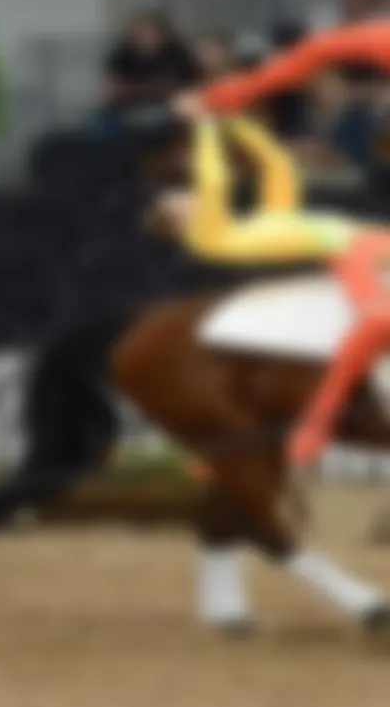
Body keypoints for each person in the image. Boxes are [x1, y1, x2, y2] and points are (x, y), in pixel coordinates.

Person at [160, 104, 390, 468]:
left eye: (181, 194)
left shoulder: (265, 218)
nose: (187, 197)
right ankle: (320, 417)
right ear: (175, 223)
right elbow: (215, 181)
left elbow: (277, 165)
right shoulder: (207, 236)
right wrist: (206, 128)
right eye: (177, 202)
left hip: (373, 241)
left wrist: (236, 121)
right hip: (354, 252)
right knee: (377, 321)